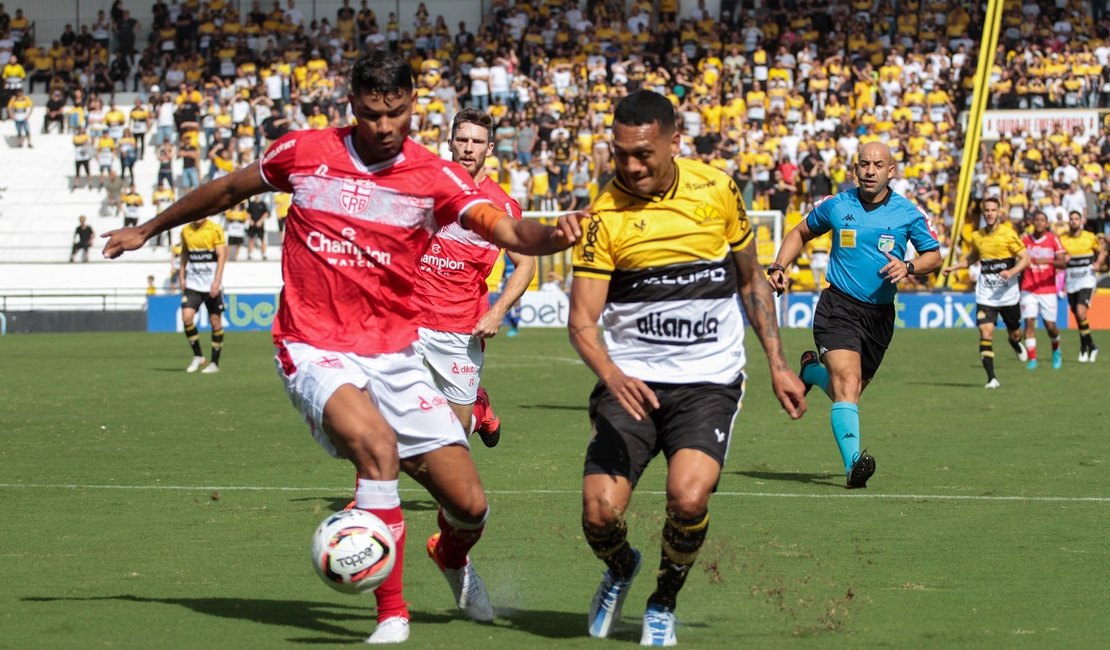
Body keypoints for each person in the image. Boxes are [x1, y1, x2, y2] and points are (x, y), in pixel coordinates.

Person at [101, 51, 582, 644]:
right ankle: (392, 613)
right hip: (313, 343)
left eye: (398, 113)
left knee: (470, 506)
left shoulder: (434, 175)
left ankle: (450, 556)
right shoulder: (304, 152)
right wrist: (146, 229)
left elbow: (508, 231)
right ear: (351, 103)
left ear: (413, 105)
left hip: (394, 353)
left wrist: (549, 233)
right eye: (372, 113)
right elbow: (228, 189)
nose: (385, 127)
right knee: (376, 449)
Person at [568, 90, 806, 647]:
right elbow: (582, 322)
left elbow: (751, 280)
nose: (630, 166)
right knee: (600, 515)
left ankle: (662, 601)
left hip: (708, 381)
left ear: (675, 142)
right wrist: (611, 374)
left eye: (643, 154)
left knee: (689, 498)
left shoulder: (717, 189)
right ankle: (622, 567)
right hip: (629, 384)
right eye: (620, 153)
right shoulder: (603, 216)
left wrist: (776, 362)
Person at [769, 141, 942, 488]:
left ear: (890, 171)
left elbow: (934, 256)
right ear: (854, 169)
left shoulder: (908, 213)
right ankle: (853, 466)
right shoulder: (837, 205)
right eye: (864, 164)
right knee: (847, 385)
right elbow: (800, 232)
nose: (870, 171)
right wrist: (778, 265)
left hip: (879, 317)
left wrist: (908, 266)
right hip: (839, 307)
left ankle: (811, 371)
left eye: (878, 165)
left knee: (845, 393)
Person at [411, 107, 536, 448]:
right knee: (381, 407)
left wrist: (498, 311)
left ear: (489, 149)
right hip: (410, 316)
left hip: (460, 325)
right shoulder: (426, 189)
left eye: (477, 141)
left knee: (450, 439)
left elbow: (526, 265)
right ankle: (366, 499)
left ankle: (479, 412)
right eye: (462, 139)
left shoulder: (501, 207)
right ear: (450, 143)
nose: (469, 147)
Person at [942, 197, 1031, 388]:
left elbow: (1025, 258)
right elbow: (974, 256)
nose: (990, 213)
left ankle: (1015, 343)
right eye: (987, 210)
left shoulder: (1008, 234)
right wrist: (955, 267)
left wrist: (1012, 272)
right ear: (983, 213)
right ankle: (991, 378)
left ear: (999, 212)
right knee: (986, 331)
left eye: (993, 210)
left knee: (1015, 333)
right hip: (986, 295)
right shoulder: (977, 236)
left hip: (1008, 295)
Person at [177, 216, 228, 374]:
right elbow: (185, 254)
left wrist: (217, 282)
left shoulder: (214, 229)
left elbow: (221, 256)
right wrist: (181, 275)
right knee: (187, 317)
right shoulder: (186, 230)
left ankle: (214, 363)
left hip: (211, 285)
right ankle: (198, 355)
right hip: (193, 284)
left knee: (215, 322)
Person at [1019, 211, 1068, 370]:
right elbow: (1017, 260)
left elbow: (1063, 263)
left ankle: (1056, 349)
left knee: (1050, 326)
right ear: (1032, 222)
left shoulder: (1053, 239)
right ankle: (1032, 360)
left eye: (1042, 220)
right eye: (1037, 219)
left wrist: (1047, 260)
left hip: (1047, 289)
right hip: (1028, 288)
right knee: (1029, 323)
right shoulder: (1025, 241)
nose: (1039, 222)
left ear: (1047, 223)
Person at [1059, 210, 1107, 362]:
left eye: (1076, 219)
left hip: (1087, 281)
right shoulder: (1063, 239)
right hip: (1071, 282)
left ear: (1081, 221)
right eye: (1071, 219)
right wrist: (1062, 259)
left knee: (1081, 312)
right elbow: (1058, 258)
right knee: (1079, 316)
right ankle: (1088, 346)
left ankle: (1088, 347)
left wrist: (1099, 263)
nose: (1073, 221)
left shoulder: (1089, 237)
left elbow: (1102, 251)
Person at [245, 196, 269, 260]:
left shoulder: (263, 204)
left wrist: (260, 221)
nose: (257, 196)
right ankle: (250, 254)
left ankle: (264, 254)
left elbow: (266, 213)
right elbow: (248, 213)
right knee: (251, 239)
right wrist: (250, 221)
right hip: (252, 225)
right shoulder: (251, 204)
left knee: (262, 239)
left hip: (260, 225)